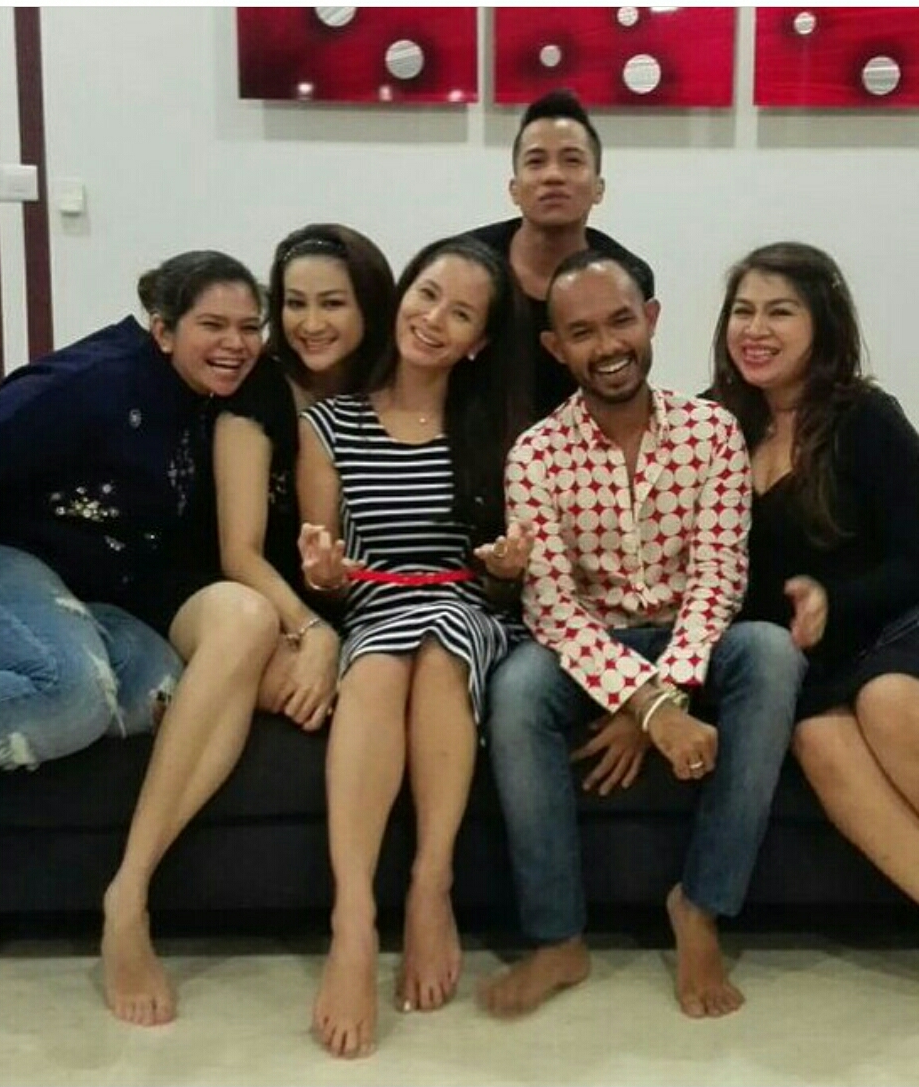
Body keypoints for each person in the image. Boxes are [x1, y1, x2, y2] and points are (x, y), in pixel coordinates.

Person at [479, 250, 806, 1021]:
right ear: (556, 348)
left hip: (691, 637)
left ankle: (700, 905)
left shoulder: (713, 431)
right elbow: (551, 608)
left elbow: (719, 579)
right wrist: (651, 707)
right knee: (517, 686)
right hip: (588, 644)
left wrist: (664, 697)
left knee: (771, 651)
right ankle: (558, 937)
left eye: (621, 320)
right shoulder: (534, 454)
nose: (608, 345)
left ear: (651, 320)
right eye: (582, 332)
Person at [100, 224, 396, 1026]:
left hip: (326, 607)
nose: (310, 322)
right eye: (294, 303)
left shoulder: (392, 387)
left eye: (332, 302)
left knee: (366, 677)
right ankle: (128, 893)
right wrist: (315, 632)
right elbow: (238, 550)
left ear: (369, 306)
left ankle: (358, 919)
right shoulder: (258, 390)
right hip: (219, 587)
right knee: (251, 622)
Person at [0, 249, 265, 799]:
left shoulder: (201, 406)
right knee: (73, 695)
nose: (235, 343)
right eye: (213, 325)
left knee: (162, 693)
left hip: (67, 601)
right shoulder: (91, 381)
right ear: (163, 331)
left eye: (249, 328)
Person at [297, 234, 533, 1058]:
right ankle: (355, 917)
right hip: (373, 607)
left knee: (438, 651)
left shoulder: (499, 431)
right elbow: (325, 563)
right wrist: (324, 574)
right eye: (427, 295)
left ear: (478, 342)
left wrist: (508, 568)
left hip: (465, 609)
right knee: (376, 668)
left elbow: (506, 578)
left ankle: (431, 883)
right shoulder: (330, 423)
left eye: (460, 313)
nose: (434, 319)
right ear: (401, 295)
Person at [711, 241, 919, 908]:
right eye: (742, 311)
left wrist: (834, 600)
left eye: (780, 311)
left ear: (822, 324)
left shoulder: (865, 417)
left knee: (886, 700)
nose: (755, 329)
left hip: (890, 630)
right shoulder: (711, 425)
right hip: (802, 664)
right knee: (816, 739)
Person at [465, 88, 655, 421]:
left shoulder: (625, 276)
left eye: (572, 160)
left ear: (598, 188)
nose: (553, 176)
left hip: (583, 445)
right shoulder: (468, 266)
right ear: (514, 189)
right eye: (536, 162)